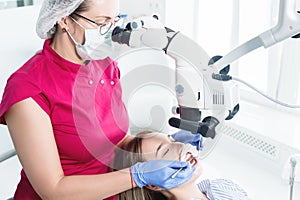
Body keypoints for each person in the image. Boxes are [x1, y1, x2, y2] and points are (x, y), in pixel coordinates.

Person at [0, 0, 201, 199]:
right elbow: (53, 190)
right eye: (100, 23)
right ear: (64, 20)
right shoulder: (28, 88)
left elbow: (116, 140)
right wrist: (135, 176)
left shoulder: (104, 65)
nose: (109, 33)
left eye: (113, 22)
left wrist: (168, 143)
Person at [114, 131, 249, 200]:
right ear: (154, 184)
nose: (180, 146)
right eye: (165, 151)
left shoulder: (223, 186)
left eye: (173, 140)